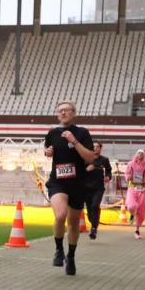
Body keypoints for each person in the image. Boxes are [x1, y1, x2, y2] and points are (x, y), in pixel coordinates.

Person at [42, 101, 96, 275]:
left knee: (73, 223)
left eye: (66, 110)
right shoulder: (52, 133)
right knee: (60, 215)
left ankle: (71, 256)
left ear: (74, 113)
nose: (63, 113)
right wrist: (48, 152)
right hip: (58, 181)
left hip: (78, 183)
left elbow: (90, 158)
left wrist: (74, 141)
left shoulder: (82, 133)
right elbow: (48, 151)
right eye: (60, 110)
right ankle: (59, 250)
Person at [124, 149, 145, 240]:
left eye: (142, 153)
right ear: (136, 154)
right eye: (139, 153)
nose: (140, 155)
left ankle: (137, 229)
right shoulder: (131, 164)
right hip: (132, 188)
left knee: (141, 211)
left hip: (143, 189)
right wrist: (128, 177)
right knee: (131, 206)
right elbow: (126, 173)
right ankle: (132, 214)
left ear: (144, 155)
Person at [84, 141, 113, 240]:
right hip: (86, 188)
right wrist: (87, 170)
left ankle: (93, 229)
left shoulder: (104, 160)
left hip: (98, 188)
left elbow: (108, 170)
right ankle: (94, 223)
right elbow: (79, 172)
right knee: (89, 211)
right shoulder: (86, 158)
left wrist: (108, 177)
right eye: (93, 146)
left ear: (100, 148)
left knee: (95, 206)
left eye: (97, 147)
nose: (95, 148)